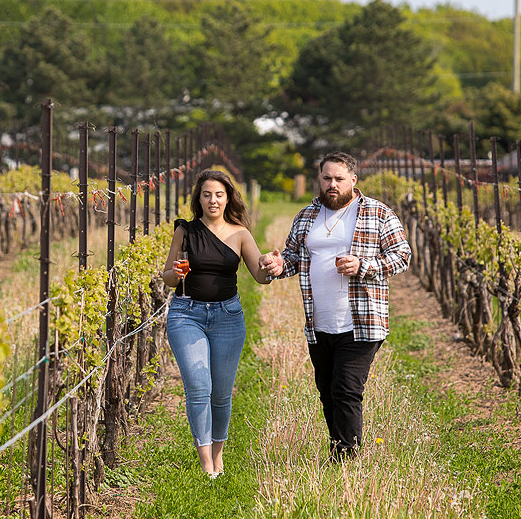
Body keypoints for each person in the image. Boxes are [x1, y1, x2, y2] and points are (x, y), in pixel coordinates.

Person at [260, 151, 411, 461]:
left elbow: (402, 256)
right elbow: (291, 258)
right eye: (327, 178)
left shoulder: (378, 214)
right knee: (327, 390)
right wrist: (276, 266)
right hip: (319, 322)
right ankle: (339, 447)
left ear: (353, 181)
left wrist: (364, 266)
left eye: (339, 179)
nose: (332, 184)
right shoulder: (306, 215)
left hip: (362, 320)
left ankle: (346, 458)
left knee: (346, 389)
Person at [161, 169, 274, 478]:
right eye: (207, 194)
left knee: (221, 394)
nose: (213, 200)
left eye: (219, 194)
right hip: (187, 314)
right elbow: (167, 278)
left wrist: (271, 266)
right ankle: (206, 463)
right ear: (199, 198)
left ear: (228, 199)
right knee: (199, 386)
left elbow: (260, 276)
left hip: (228, 317)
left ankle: (218, 453)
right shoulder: (185, 231)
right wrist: (176, 274)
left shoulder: (240, 234)